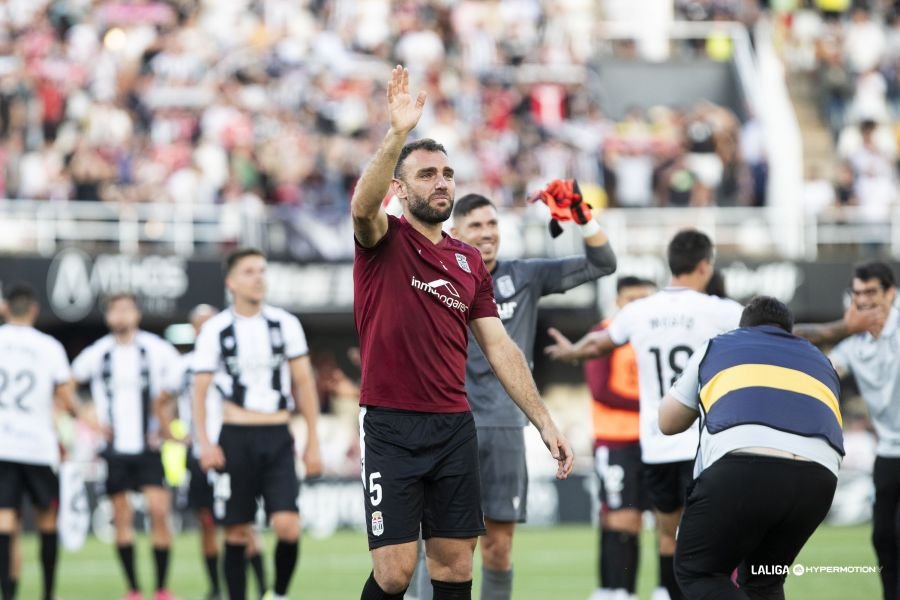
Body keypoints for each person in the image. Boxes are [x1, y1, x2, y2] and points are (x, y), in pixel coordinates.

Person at [351, 65, 573, 600]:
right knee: (395, 574)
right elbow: (362, 206)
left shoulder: (468, 260)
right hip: (391, 426)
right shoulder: (384, 238)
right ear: (400, 189)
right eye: (427, 174)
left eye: (447, 173)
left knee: (454, 568)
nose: (442, 182)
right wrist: (398, 133)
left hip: (454, 426)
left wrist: (543, 420)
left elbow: (498, 344)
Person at [409, 188, 616, 600]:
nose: (487, 234)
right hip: (448, 422)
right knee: (429, 543)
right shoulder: (431, 274)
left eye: (492, 224)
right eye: (476, 226)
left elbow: (603, 263)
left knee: (498, 549)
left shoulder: (524, 275)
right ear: (455, 232)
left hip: (505, 426)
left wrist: (582, 215)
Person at [546, 229, 744, 600]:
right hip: (704, 444)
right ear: (705, 266)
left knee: (667, 535)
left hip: (656, 445)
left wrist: (572, 352)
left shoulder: (638, 312)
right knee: (713, 537)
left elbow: (597, 344)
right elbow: (770, 333)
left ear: (670, 264)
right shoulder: (722, 311)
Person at [659, 296, 843, 599]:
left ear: (742, 327)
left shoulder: (718, 345)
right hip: (819, 479)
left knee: (698, 571)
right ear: (789, 330)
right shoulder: (819, 359)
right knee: (764, 579)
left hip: (744, 466)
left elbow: (667, 422)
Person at [192, 248, 322, 600]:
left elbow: (304, 383)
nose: (259, 277)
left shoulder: (285, 324)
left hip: (278, 434)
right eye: (249, 271)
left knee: (288, 526)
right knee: (236, 530)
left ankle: (277, 593)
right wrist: (204, 441)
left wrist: (313, 441)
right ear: (231, 282)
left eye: (262, 270)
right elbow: (200, 390)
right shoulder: (215, 330)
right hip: (235, 435)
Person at [72, 292, 182, 600]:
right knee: (121, 517)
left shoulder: (156, 350)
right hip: (115, 448)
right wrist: (88, 419)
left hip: (148, 446)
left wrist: (164, 422)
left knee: (160, 511)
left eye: (126, 309)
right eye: (115, 310)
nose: (121, 316)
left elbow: (175, 387)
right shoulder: (99, 353)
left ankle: (161, 587)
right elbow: (67, 384)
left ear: (136, 314)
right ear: (108, 317)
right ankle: (133, 588)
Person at [157, 304, 267, 600]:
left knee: (243, 522)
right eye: (201, 325)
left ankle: (263, 588)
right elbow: (161, 400)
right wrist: (172, 434)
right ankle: (216, 588)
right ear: (194, 330)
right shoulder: (185, 366)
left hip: (236, 449)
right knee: (207, 522)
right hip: (201, 454)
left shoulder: (236, 357)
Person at [584, 276, 661, 600]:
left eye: (646, 299)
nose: (639, 306)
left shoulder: (658, 335)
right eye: (632, 299)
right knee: (620, 519)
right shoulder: (603, 335)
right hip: (617, 440)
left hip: (658, 440)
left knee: (666, 519)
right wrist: (656, 403)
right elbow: (602, 390)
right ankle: (617, 591)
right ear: (618, 302)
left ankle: (666, 590)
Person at [0, 284, 78, 600]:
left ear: (6, 308)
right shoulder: (49, 346)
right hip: (37, 446)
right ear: (33, 310)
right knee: (47, 518)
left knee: (5, 520)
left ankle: (8, 593)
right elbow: (66, 396)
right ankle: (47, 593)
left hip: (2, 445)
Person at [827, 261, 900, 600]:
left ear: (891, 293)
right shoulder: (853, 346)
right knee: (883, 537)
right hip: (887, 451)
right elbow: (823, 370)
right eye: (858, 294)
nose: (865, 301)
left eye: (872, 292)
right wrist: (841, 328)